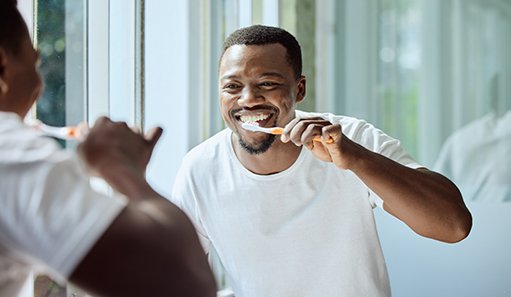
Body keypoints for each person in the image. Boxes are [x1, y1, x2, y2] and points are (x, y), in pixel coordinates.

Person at [171, 24, 472, 297]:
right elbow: (178, 278)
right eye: (232, 86)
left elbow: (453, 226)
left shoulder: (351, 138)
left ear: (299, 89)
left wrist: (355, 158)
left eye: (267, 84)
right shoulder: (200, 169)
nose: (248, 99)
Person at [0, 1, 216, 296]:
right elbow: (185, 282)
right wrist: (121, 169)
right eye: (35, 64)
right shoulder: (10, 152)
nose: (39, 84)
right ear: (2, 66)